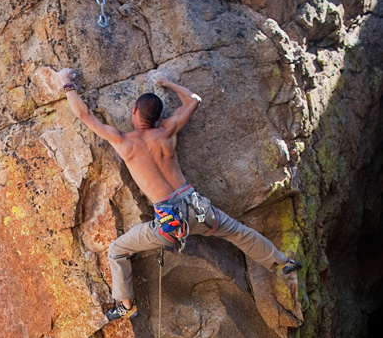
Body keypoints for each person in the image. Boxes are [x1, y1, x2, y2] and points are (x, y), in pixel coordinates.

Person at [58, 67, 301, 321]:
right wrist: (167, 82)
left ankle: (127, 305)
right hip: (200, 210)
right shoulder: (167, 131)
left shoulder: (123, 142)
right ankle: (283, 262)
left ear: (134, 113)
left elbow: (85, 115)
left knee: (118, 249)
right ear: (159, 118)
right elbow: (194, 99)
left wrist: (67, 83)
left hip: (169, 223)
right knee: (238, 232)